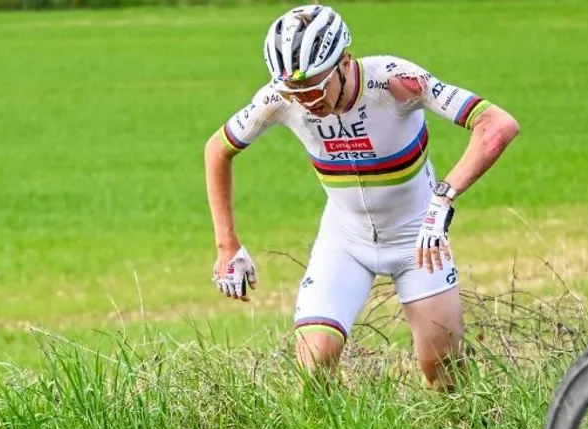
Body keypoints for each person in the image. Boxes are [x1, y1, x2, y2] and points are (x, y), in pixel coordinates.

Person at [205, 3, 519, 388]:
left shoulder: (394, 82)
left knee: (444, 374)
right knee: (313, 366)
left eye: (315, 84)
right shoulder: (280, 99)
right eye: (295, 89)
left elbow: (497, 125)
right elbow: (217, 149)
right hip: (345, 240)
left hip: (416, 239)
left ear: (344, 61)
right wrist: (227, 245)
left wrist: (443, 200)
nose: (307, 99)